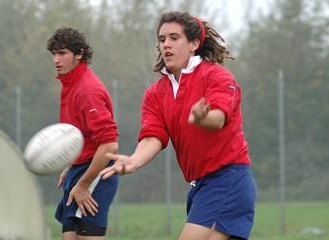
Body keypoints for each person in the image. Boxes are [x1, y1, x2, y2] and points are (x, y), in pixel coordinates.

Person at [100, 11, 256, 240]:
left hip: (228, 179)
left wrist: (203, 118)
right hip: (201, 185)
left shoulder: (217, 77)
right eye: (162, 40)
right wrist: (134, 160)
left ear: (194, 43)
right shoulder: (155, 93)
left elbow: (218, 119)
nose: (166, 45)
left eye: (174, 38)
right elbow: (153, 137)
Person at [47, 26, 119, 240]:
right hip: (78, 170)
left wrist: (84, 184)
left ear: (79, 54)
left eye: (62, 53)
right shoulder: (70, 84)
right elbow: (79, 135)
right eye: (54, 54)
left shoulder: (88, 90)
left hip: (96, 174)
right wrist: (71, 163)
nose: (56, 60)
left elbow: (109, 145)